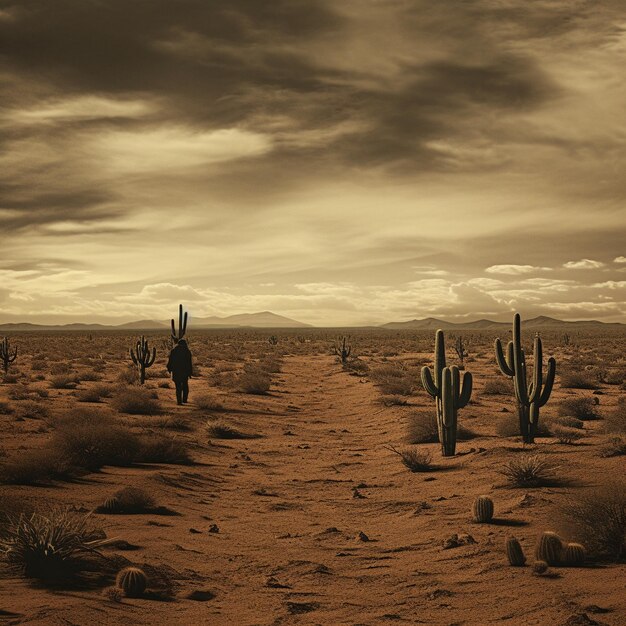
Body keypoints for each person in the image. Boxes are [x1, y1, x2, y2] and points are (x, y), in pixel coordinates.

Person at [166, 339, 193, 405]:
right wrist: (190, 372)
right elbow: (189, 363)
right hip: (184, 371)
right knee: (185, 386)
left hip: (176, 371)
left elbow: (170, 362)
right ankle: (184, 400)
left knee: (178, 387)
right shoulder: (187, 351)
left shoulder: (173, 351)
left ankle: (179, 401)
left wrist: (169, 369)